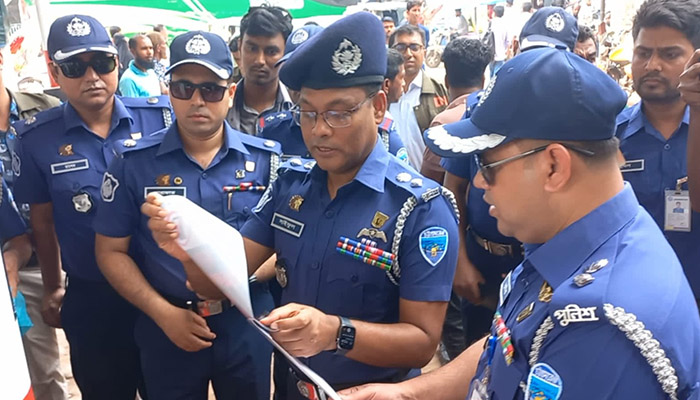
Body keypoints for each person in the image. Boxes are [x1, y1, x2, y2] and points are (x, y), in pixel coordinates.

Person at [340, 45, 700, 400]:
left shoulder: (597, 321)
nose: (478, 183)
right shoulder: (571, 239)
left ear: (554, 167)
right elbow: (509, 344)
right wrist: (411, 394)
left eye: (486, 164)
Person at [143, 12, 459, 400]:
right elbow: (224, 282)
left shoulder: (419, 208)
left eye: (338, 113)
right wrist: (187, 250)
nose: (320, 129)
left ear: (378, 107)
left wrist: (333, 332)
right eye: (307, 112)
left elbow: (423, 341)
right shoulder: (291, 187)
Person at [94, 30, 277, 399]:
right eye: (183, 88)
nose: (197, 100)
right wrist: (162, 313)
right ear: (168, 91)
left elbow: (280, 247)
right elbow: (110, 251)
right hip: (167, 322)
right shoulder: (132, 162)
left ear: (230, 92)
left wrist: (233, 280)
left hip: (247, 320)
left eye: (210, 89)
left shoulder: (266, 161)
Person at [10, 14, 172, 399]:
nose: (92, 76)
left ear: (116, 62)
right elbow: (43, 222)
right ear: (54, 70)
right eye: (74, 67)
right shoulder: (35, 139)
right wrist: (52, 287)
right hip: (93, 298)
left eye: (101, 63)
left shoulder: (160, 118)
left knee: (168, 390)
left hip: (161, 292)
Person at [616, 0, 700, 300]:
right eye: (643, 53)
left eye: (669, 54)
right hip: (629, 297)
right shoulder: (610, 137)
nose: (652, 65)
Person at [0, 52, 67, 400]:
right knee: (39, 375)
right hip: (16, 269)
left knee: (109, 358)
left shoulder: (45, 107)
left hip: (78, 252)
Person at [258, 27, 408, 163]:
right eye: (294, 73)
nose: (319, 130)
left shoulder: (382, 136)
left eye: (338, 114)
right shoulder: (272, 129)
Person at [226, 5, 293, 134]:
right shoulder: (220, 107)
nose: (260, 60)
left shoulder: (300, 110)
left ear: (286, 51)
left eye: (271, 51)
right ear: (240, 46)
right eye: (252, 49)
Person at [388, 24, 448, 169]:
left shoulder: (439, 90)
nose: (408, 54)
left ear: (424, 52)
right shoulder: (381, 92)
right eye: (401, 48)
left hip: (429, 183)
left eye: (414, 47)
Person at [489, 5, 511, 77]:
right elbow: (508, 41)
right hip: (501, 53)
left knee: (491, 72)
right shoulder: (505, 25)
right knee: (497, 74)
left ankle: (489, 87)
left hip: (490, 52)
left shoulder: (490, 23)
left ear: (494, 13)